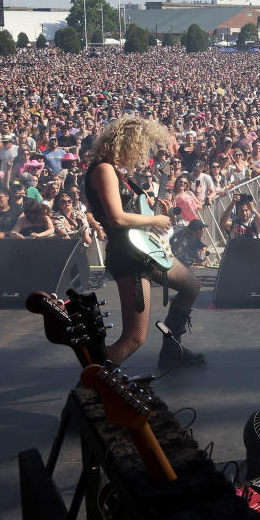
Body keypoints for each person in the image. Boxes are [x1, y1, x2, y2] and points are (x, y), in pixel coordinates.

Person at [83, 115, 204, 369]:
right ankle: (94, 383)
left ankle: (173, 349)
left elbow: (127, 213)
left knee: (190, 287)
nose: (140, 153)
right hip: (128, 256)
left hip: (143, 250)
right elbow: (115, 218)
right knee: (134, 338)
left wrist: (150, 211)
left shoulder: (115, 172)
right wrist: (156, 220)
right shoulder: (103, 169)